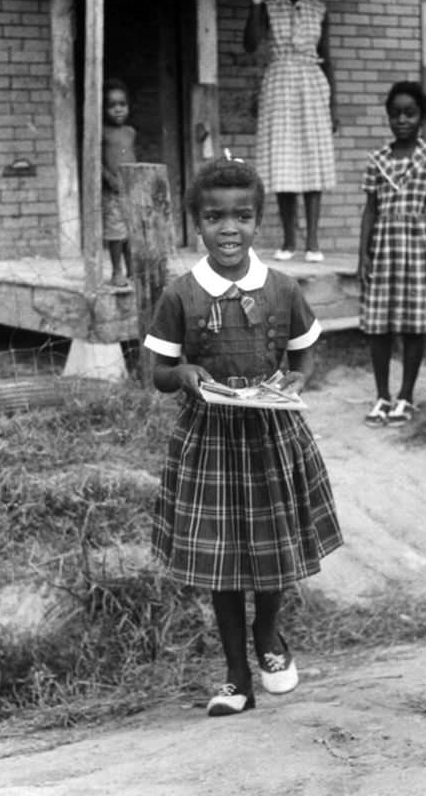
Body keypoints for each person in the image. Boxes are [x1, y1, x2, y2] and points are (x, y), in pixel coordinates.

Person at [144, 154, 343, 717]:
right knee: (223, 561)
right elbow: (156, 371)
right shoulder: (181, 294)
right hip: (210, 441)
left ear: (259, 222)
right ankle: (236, 677)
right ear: (197, 224)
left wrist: (298, 376)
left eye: (242, 217)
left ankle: (269, 637)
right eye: (214, 218)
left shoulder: (281, 287)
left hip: (271, 434)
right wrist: (181, 375)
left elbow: (305, 345)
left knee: (272, 550)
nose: (229, 229)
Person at [357, 81, 426, 427]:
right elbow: (370, 210)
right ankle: (382, 396)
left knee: (413, 324)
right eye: (396, 114)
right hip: (384, 245)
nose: (402, 119)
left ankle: (406, 397)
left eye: (410, 113)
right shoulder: (378, 159)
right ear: (388, 117)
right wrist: (363, 256)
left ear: (422, 117)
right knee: (379, 325)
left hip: (417, 244)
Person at [243, 0, 338, 263]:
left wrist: (333, 105)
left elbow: (327, 59)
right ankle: (288, 241)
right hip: (280, 84)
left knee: (312, 160)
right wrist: (255, 4)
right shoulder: (271, 7)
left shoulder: (318, 8)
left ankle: (312, 242)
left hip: (311, 85)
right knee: (284, 162)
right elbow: (251, 44)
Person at [102, 78, 136, 288]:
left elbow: (132, 157)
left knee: (131, 231)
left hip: (130, 189)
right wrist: (109, 178)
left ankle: (133, 269)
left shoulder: (130, 132)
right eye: (112, 105)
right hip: (112, 190)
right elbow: (97, 161)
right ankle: (117, 271)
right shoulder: (103, 132)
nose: (118, 110)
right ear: (104, 109)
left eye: (122, 104)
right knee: (116, 233)